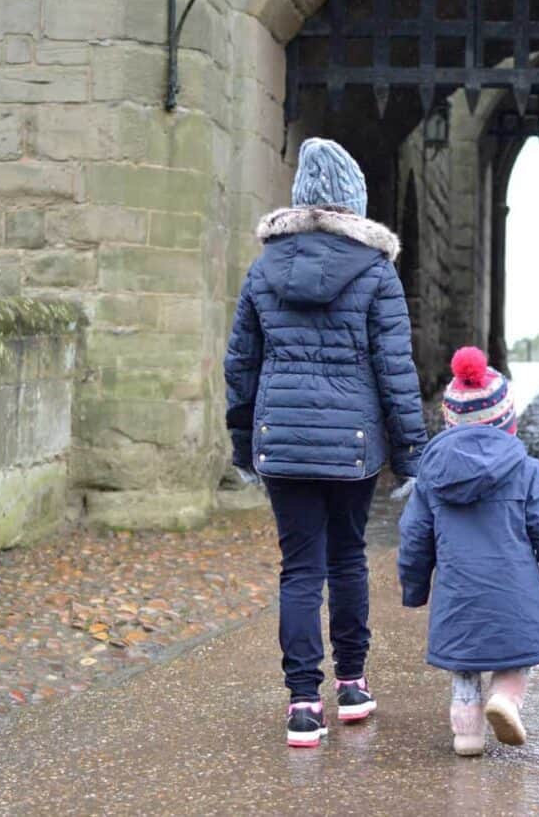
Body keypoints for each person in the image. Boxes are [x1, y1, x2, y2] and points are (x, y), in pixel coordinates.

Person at [224, 138, 428, 748]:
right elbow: (396, 368)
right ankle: (354, 684)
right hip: (352, 444)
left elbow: (241, 366)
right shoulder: (375, 271)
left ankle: (302, 702)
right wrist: (411, 450)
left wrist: (243, 442)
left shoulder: (264, 270)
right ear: (353, 200)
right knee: (346, 558)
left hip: (281, 441)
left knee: (300, 569)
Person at [398, 347, 539, 756]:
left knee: (464, 668)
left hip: (458, 594)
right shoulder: (527, 471)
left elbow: (414, 537)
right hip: (514, 593)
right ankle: (505, 697)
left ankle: (466, 736)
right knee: (515, 654)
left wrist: (415, 588)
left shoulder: (432, 477)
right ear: (507, 421)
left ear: (449, 421)